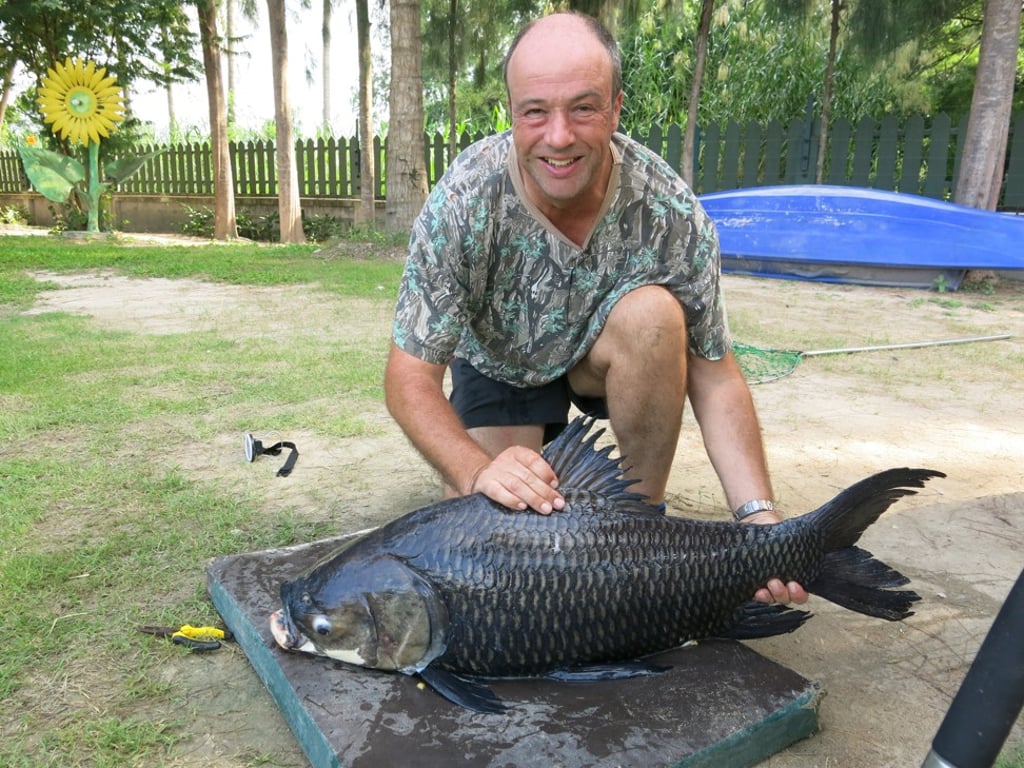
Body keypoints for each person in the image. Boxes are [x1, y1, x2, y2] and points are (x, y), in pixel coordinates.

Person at [384, 11, 807, 607]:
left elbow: (715, 375)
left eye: (583, 108)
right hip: (501, 367)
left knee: (656, 315)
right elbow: (409, 378)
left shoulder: (671, 213)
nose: (559, 136)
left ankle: (637, 526)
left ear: (615, 107)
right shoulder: (462, 202)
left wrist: (760, 517)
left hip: (598, 358)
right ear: (512, 113)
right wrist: (477, 472)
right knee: (495, 544)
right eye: (536, 111)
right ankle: (530, 463)